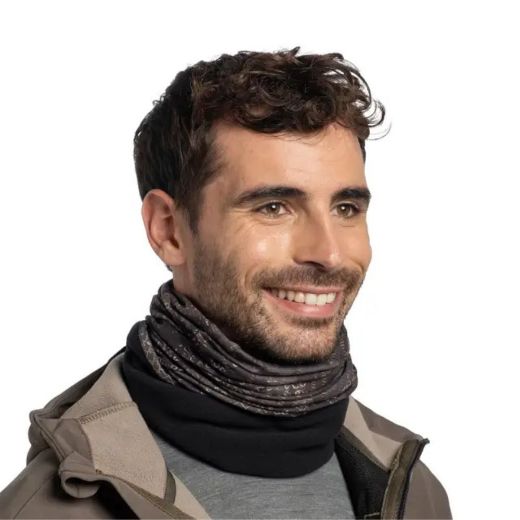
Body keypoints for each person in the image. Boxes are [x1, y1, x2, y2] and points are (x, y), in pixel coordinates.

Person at [0, 47, 452, 519]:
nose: (330, 253)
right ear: (169, 231)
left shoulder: (414, 491)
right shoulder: (43, 511)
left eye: (346, 208)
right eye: (273, 207)